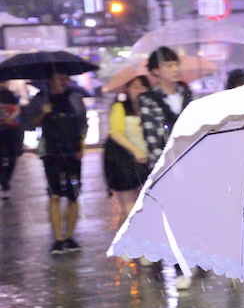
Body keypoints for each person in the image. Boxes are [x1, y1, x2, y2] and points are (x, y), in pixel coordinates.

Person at [140, 47, 194, 286]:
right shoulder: (148, 100)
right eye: (168, 66)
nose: (174, 70)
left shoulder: (188, 95)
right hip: (167, 168)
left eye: (175, 65)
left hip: (192, 164)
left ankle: (196, 258)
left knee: (193, 214)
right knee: (171, 219)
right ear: (155, 71)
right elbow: (152, 138)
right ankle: (180, 268)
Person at [22, 73, 88, 253]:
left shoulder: (75, 98)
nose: (62, 82)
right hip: (50, 152)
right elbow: (28, 124)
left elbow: (83, 124)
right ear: (49, 80)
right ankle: (58, 238)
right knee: (55, 194)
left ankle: (70, 236)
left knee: (74, 194)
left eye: (65, 78)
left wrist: (81, 147)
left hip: (72, 152)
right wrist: (43, 112)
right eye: (58, 78)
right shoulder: (41, 98)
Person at [103, 74, 151, 222]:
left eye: (143, 86)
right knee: (129, 204)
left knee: (147, 202)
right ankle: (131, 238)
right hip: (123, 159)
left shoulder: (152, 108)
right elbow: (115, 133)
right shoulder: (120, 107)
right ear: (127, 89)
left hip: (148, 160)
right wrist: (136, 151)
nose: (140, 90)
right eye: (135, 87)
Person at [0, 83, 22, 198]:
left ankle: (6, 180)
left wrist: (11, 117)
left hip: (10, 129)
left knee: (11, 156)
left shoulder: (8, 94)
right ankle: (3, 180)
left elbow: (17, 109)